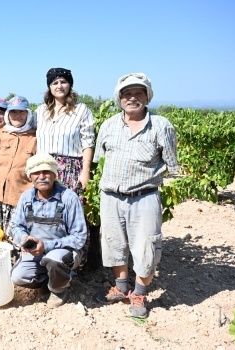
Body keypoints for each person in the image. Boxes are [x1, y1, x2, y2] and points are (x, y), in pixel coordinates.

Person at [94, 72, 179, 318]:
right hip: (110, 196)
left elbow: (172, 165)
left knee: (146, 248)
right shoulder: (109, 125)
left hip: (145, 197)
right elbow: (100, 158)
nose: (132, 98)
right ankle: (121, 288)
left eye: (138, 93)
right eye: (127, 94)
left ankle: (139, 293)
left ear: (147, 96)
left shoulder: (161, 125)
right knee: (114, 243)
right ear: (119, 98)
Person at [10, 153, 88, 307]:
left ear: (54, 174)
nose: (42, 177)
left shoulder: (68, 198)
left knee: (53, 260)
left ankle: (59, 289)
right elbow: (16, 226)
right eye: (36, 173)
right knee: (18, 276)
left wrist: (46, 245)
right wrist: (24, 239)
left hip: (62, 251)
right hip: (36, 252)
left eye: (46, 172)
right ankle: (47, 281)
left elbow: (79, 237)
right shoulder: (26, 197)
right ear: (30, 177)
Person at [0, 96, 36, 236]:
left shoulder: (35, 137)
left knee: (17, 239)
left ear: (28, 114)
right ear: (8, 114)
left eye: (21, 112)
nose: (17, 116)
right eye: (13, 112)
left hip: (21, 200)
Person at [35, 68, 95, 192]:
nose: (59, 86)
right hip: (43, 170)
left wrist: (85, 172)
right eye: (55, 83)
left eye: (63, 82)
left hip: (70, 171)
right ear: (49, 87)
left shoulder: (80, 110)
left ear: (70, 85)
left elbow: (88, 143)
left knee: (68, 209)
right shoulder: (40, 111)